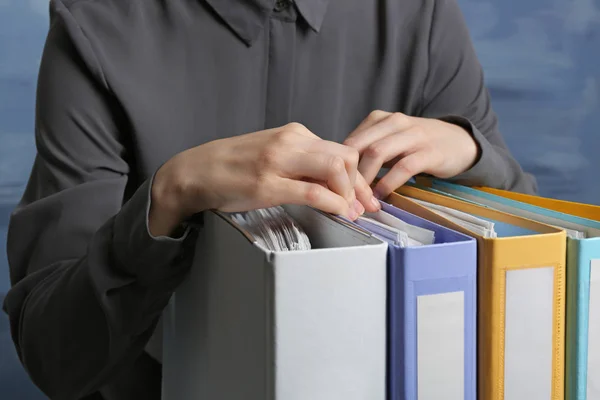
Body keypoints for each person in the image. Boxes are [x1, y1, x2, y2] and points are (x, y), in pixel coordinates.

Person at [3, 0, 536, 398]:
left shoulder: (421, 15)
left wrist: (472, 153)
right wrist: (169, 194)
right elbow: (54, 358)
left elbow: (534, 277)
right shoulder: (95, 21)